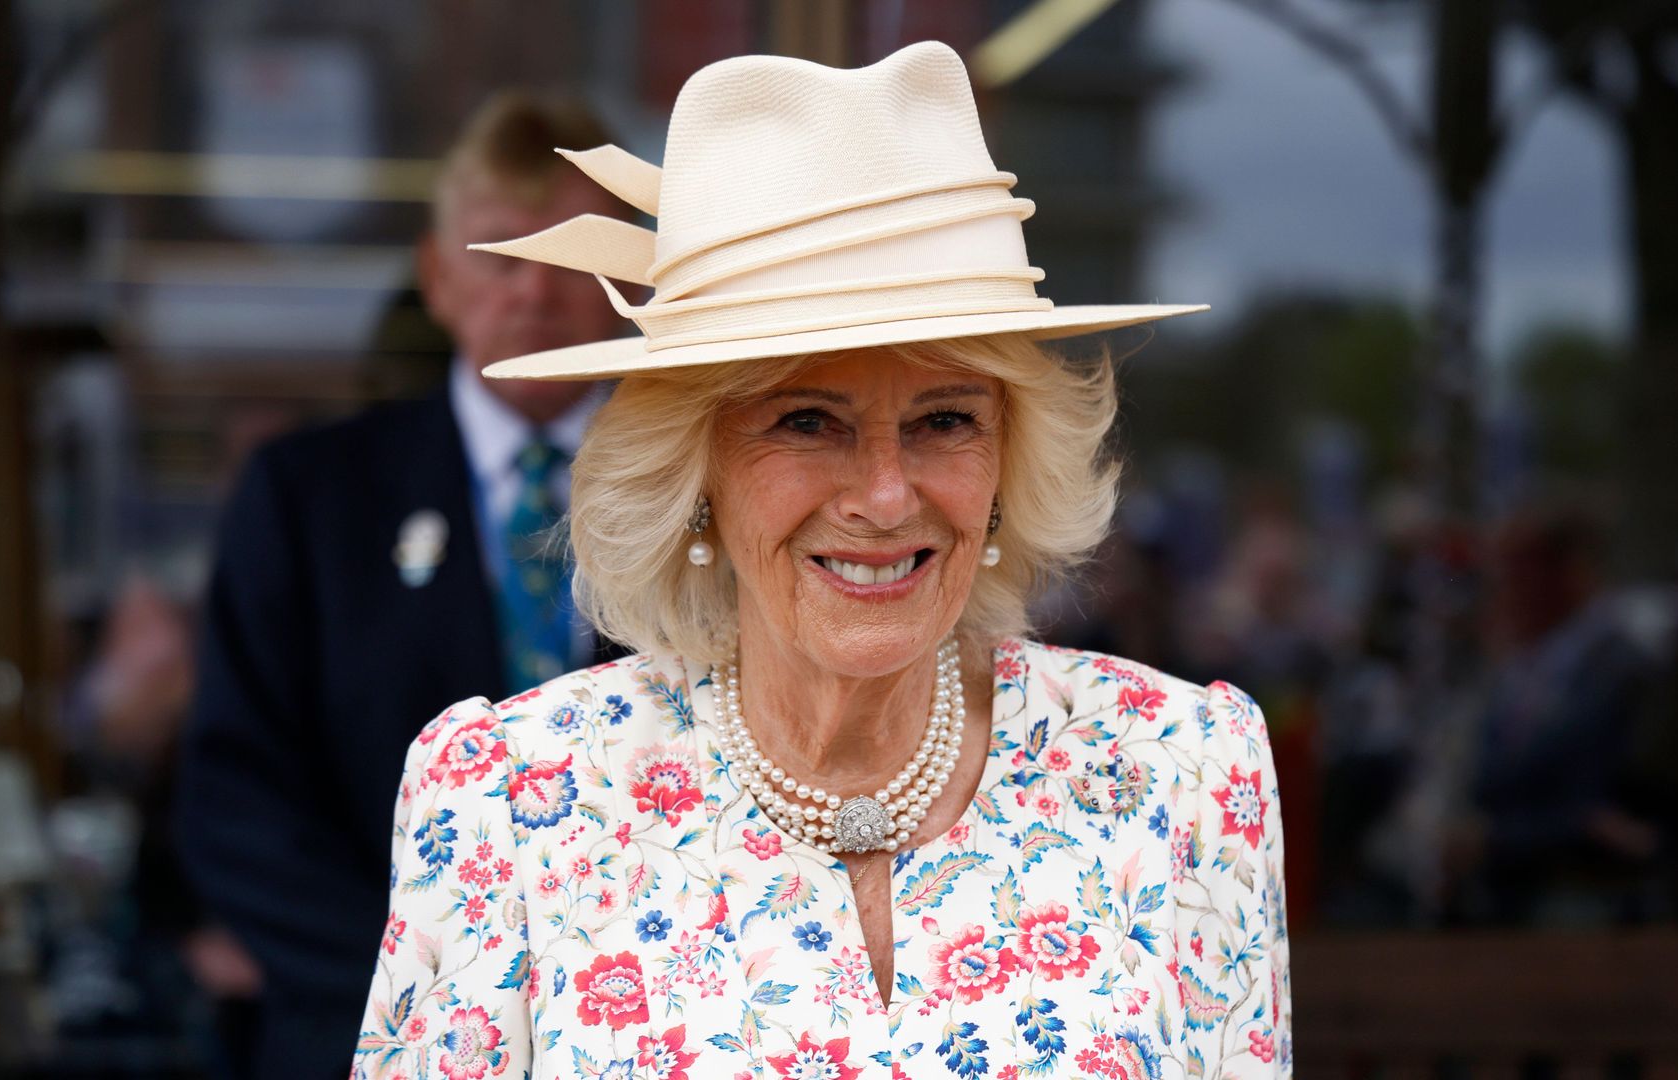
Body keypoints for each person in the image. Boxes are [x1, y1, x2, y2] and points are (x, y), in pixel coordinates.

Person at [353, 42, 1292, 1078]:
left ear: (1009, 463)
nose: (887, 496)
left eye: (944, 419)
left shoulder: (1183, 770)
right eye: (806, 421)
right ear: (695, 470)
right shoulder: (506, 797)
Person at [175, 93, 625, 1078]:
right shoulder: (308, 496)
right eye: (500, 254)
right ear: (436, 276)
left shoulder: (719, 491)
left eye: (569, 255)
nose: (534, 291)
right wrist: (436, 983)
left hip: (644, 1020)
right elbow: (233, 797)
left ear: (632, 279)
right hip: (365, 1028)